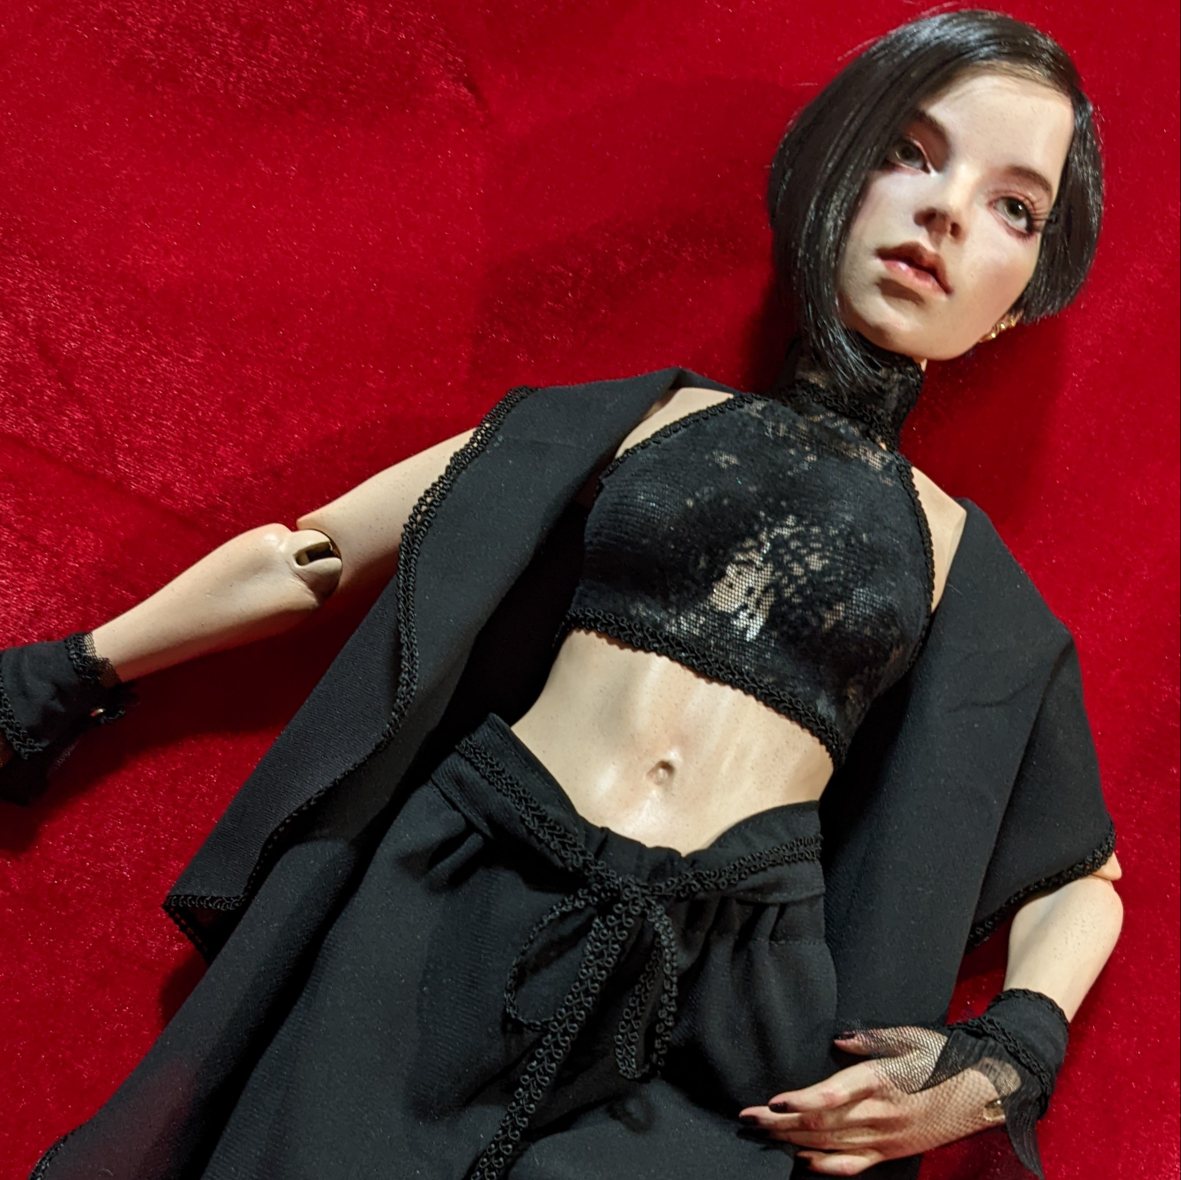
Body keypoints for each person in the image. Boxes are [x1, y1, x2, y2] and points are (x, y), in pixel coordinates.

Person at [2, 9, 1122, 1179]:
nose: (945, 211)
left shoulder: (960, 568)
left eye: (1013, 207)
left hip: (726, 1006)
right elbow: (315, 554)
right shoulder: (626, 423)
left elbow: (1083, 877)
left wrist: (1006, 1058)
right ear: (828, 175)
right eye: (907, 151)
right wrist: (67, 673)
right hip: (458, 893)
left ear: (1017, 300)